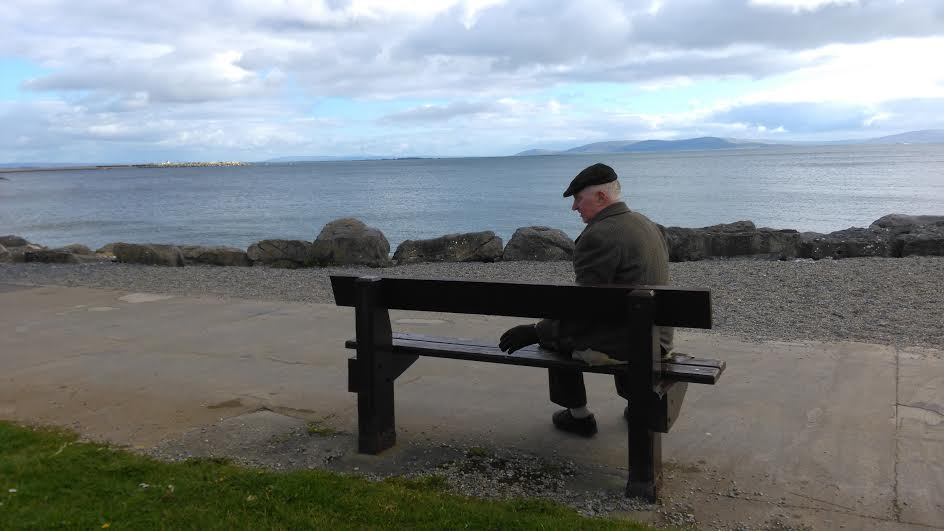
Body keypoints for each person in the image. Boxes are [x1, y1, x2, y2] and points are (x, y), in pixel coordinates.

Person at [498, 162, 674, 437]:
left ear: (601, 197)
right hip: (658, 339)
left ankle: (578, 416)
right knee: (617, 318)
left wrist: (535, 331)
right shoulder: (646, 223)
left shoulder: (598, 236)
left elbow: (584, 308)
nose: (574, 207)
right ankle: (636, 402)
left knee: (556, 337)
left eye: (579, 199)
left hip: (630, 344)